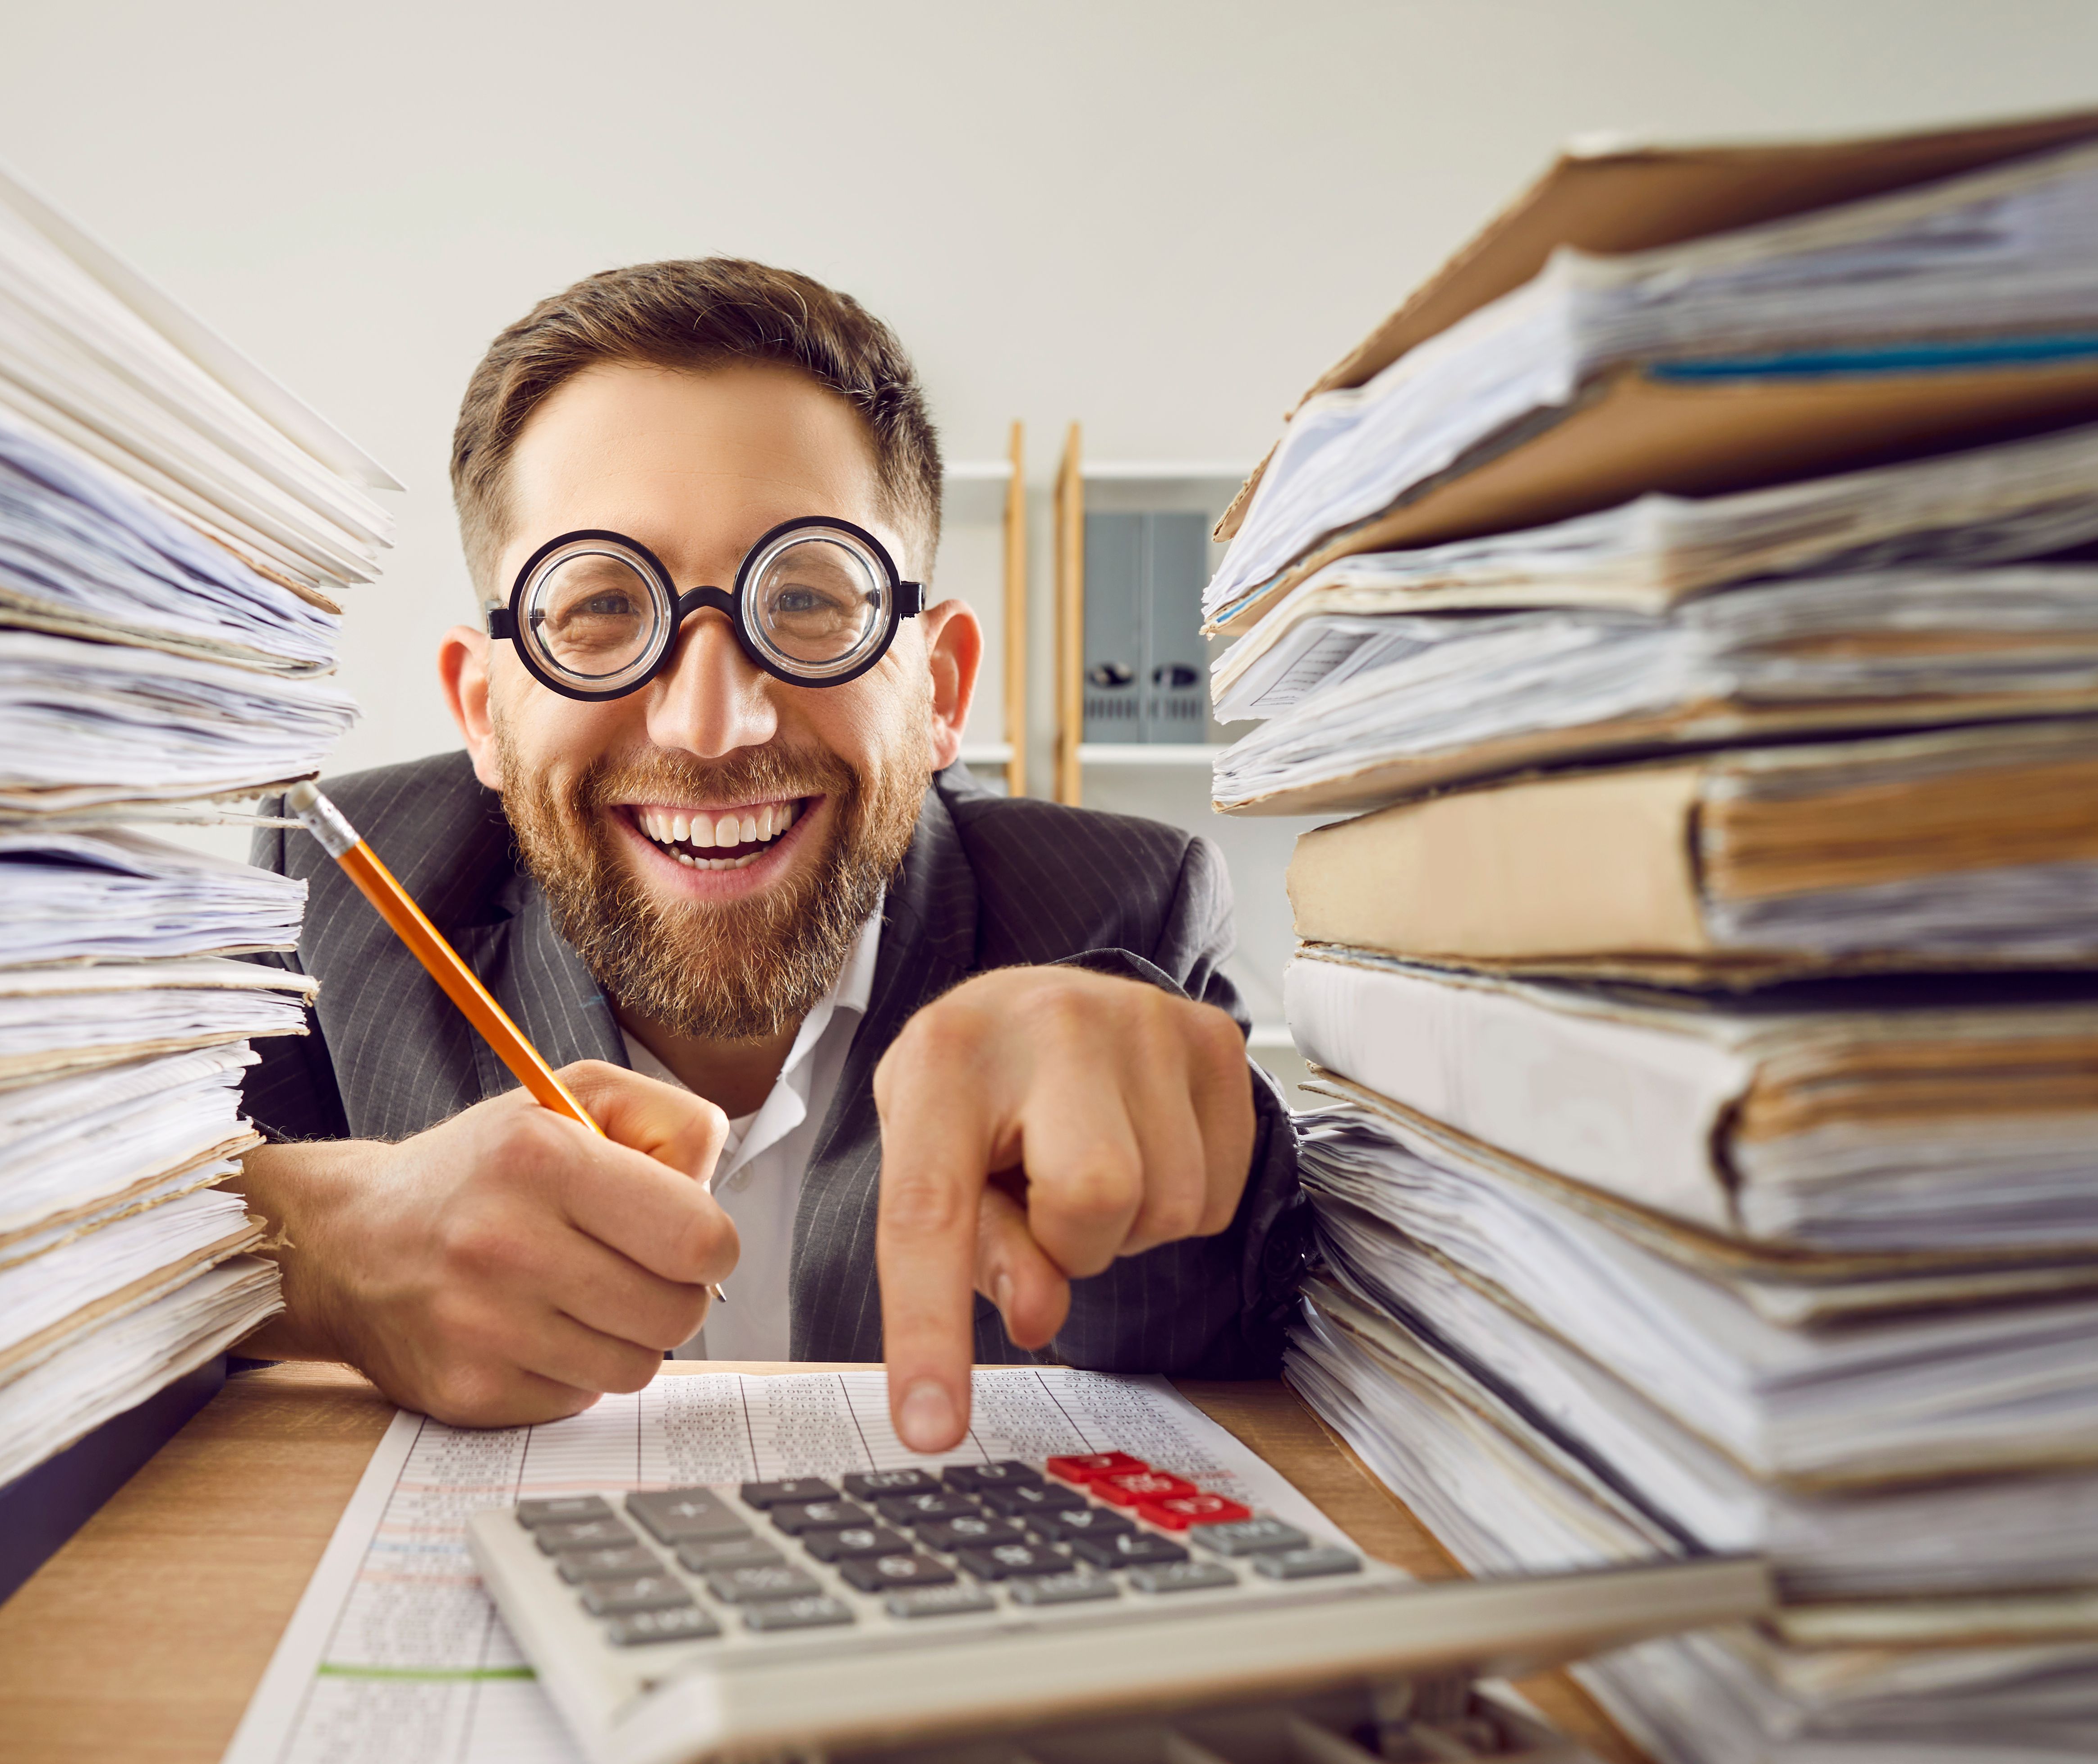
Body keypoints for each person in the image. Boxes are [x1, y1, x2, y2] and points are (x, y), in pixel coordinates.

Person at [236, 257, 1305, 1453]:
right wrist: (315, 1250)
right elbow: (84, 1240)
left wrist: (1169, 1133)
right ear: (483, 709)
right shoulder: (319, 892)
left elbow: (1246, 1312)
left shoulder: (1128, 910)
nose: (711, 723)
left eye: (805, 599)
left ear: (942, 687)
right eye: (598, 607)